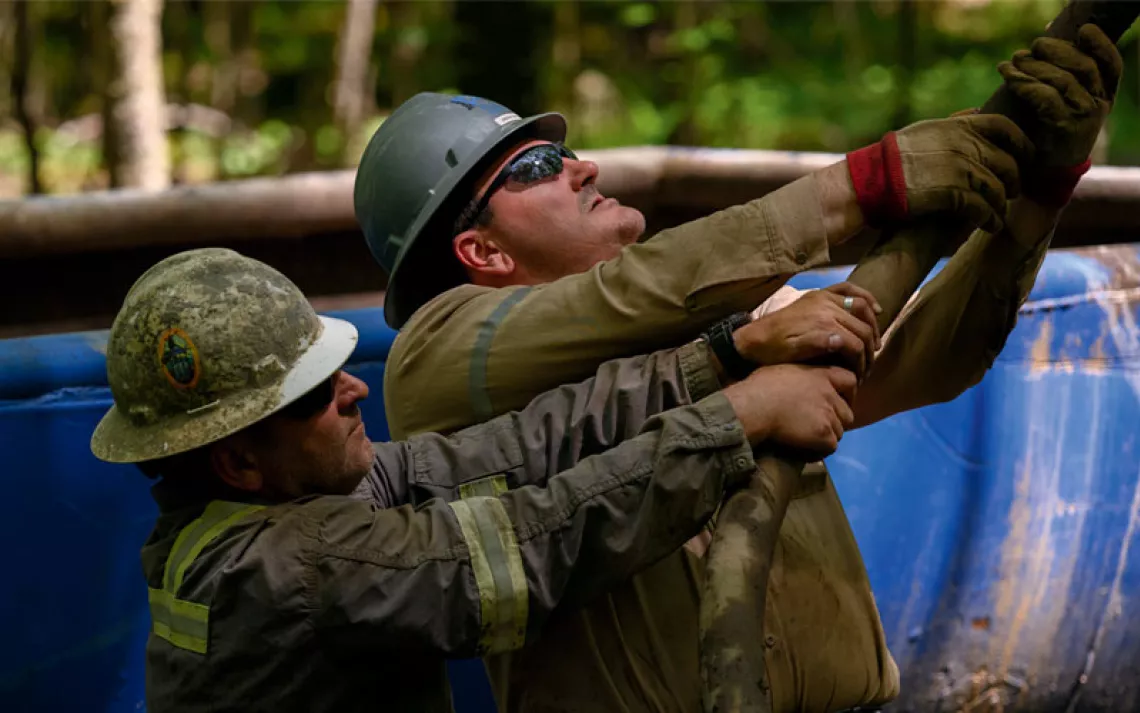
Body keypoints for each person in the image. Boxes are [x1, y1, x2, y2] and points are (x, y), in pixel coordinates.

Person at [353, 26, 1122, 713]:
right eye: (542, 165)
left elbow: (919, 367)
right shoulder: (437, 357)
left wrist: (1037, 197)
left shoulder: (712, 312)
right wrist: (869, 182)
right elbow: (626, 296)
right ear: (481, 252)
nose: (583, 167)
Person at [90, 247, 867, 713]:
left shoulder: (239, 516)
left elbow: (513, 449)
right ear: (238, 461)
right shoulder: (302, 560)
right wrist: (738, 420)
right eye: (322, 395)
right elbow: (537, 544)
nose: (353, 390)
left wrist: (725, 354)